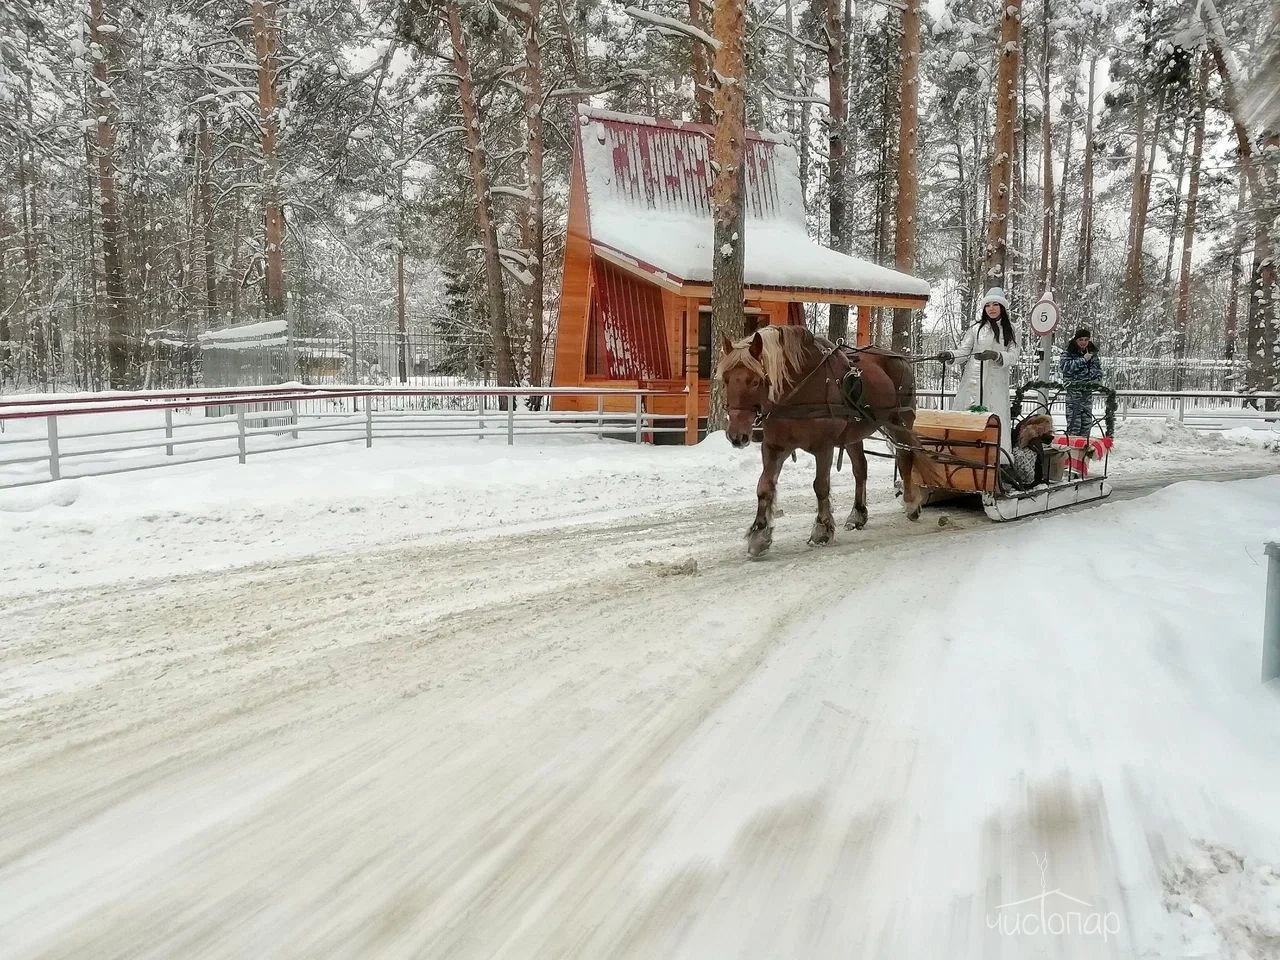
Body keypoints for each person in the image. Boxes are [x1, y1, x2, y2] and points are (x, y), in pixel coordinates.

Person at [938, 288, 1021, 457]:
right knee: (967, 416)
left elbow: (1014, 356)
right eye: (988, 305)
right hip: (972, 383)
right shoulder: (976, 329)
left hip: (996, 384)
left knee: (994, 419)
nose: (991, 308)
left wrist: (997, 355)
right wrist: (950, 355)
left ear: (1002, 307)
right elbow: (964, 351)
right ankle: (962, 455)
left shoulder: (1012, 329)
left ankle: (996, 459)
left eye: (995, 304)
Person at [1059, 327, 1102, 437]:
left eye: (1086, 340)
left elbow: (1097, 369)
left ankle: (1083, 450)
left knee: (1086, 425)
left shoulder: (1092, 354)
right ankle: (1072, 450)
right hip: (1074, 393)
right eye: (1081, 340)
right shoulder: (1068, 353)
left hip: (1087, 393)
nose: (1084, 342)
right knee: (1074, 425)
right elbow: (1065, 368)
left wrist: (1096, 380)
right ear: (1076, 340)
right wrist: (1083, 360)